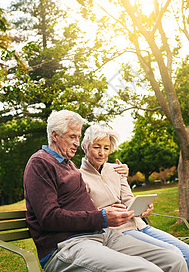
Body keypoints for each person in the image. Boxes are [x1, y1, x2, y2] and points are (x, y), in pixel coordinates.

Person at [24, 110, 188, 272]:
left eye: (78, 137)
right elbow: (48, 218)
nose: (76, 142)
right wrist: (102, 217)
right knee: (148, 269)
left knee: (174, 260)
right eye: (72, 136)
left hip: (100, 236)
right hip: (66, 245)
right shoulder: (40, 162)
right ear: (55, 136)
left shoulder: (69, 165)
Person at [80, 124, 189, 270]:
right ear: (85, 147)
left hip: (139, 224)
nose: (102, 153)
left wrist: (143, 209)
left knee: (186, 252)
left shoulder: (116, 169)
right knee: (173, 253)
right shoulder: (79, 177)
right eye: (96, 147)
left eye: (106, 148)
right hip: (119, 232)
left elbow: (128, 198)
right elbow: (91, 214)